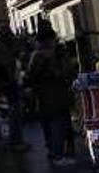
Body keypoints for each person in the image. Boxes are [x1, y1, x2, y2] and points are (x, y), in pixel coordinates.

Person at [26, 23, 76, 165]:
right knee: (59, 125)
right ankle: (59, 155)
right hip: (57, 95)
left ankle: (53, 151)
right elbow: (66, 72)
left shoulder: (35, 56)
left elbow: (30, 76)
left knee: (49, 124)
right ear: (51, 38)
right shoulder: (55, 54)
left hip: (43, 96)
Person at [0, 26, 31, 151]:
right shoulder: (2, 50)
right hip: (11, 86)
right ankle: (16, 142)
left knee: (16, 114)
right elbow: (6, 69)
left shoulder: (4, 49)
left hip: (12, 85)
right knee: (15, 114)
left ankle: (17, 141)